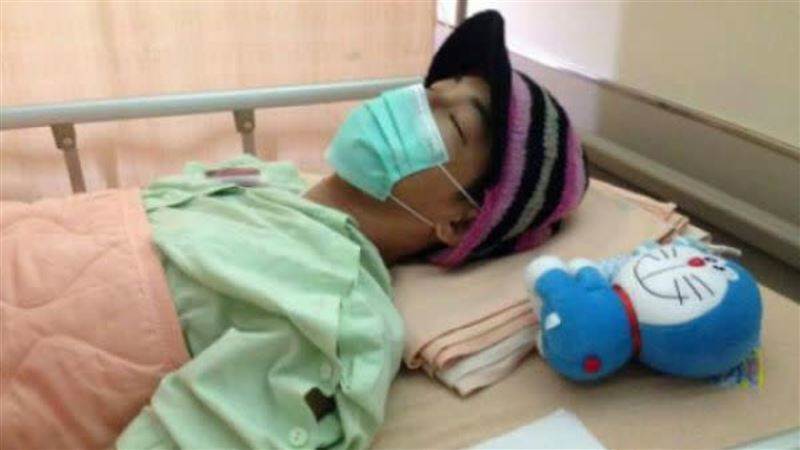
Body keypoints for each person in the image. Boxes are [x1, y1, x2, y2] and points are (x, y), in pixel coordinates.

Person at [0, 10, 586, 450]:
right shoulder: (261, 175)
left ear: (458, 220)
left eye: (450, 121)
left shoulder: (336, 316)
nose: (410, 104)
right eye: (429, 91)